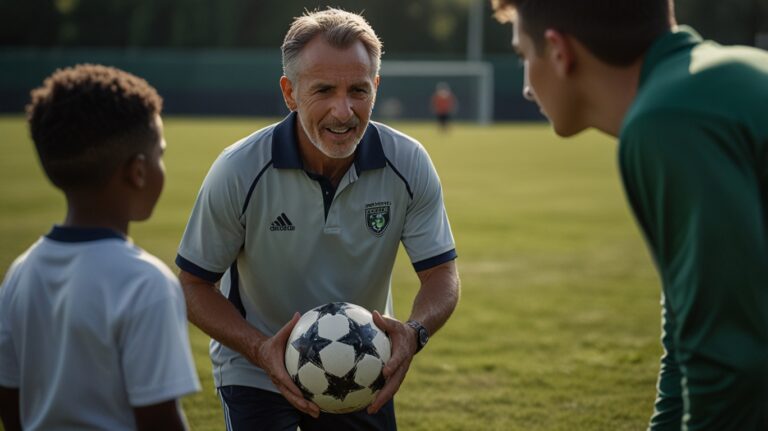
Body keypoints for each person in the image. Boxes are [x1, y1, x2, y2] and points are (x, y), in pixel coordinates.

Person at [175, 7, 460, 431]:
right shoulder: (239, 169)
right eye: (323, 90)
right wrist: (259, 350)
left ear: (376, 87)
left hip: (362, 364)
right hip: (255, 373)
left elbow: (441, 273)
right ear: (290, 92)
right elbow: (192, 284)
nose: (343, 112)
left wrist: (414, 331)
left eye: (358, 91)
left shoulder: (408, 162)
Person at [491, 0, 768, 429]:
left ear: (559, 51)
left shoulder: (669, 119)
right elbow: (685, 343)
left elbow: (730, 366)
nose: (527, 86)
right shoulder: (721, 75)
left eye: (524, 55)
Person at [0, 64, 201, 430]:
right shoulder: (145, 283)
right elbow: (159, 419)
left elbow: (12, 410)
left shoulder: (19, 274)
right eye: (160, 153)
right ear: (137, 171)